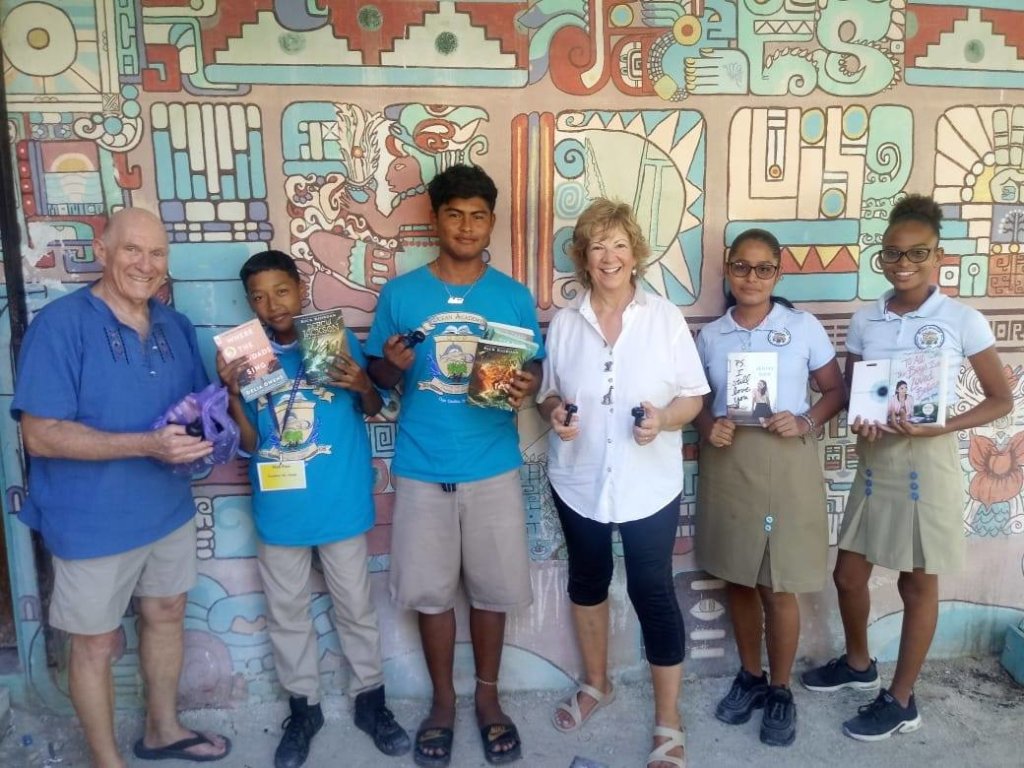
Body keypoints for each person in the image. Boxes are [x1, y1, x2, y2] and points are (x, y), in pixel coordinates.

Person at [10, 208, 231, 766]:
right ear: (103, 249)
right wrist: (147, 445)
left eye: (157, 254)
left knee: (166, 613)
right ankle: (107, 761)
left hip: (166, 509)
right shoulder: (61, 326)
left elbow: (192, 413)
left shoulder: (174, 327)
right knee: (95, 644)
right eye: (132, 249)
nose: (145, 264)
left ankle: (161, 729)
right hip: (91, 521)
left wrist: (226, 396)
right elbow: (41, 436)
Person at [801, 195, 1013, 740]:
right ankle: (857, 664)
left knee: (918, 586)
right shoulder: (865, 318)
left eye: (917, 252)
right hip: (875, 465)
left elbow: (1000, 400)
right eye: (892, 253)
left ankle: (901, 699)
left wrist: (942, 425)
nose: (903, 263)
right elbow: (853, 394)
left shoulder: (961, 319)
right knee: (848, 575)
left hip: (927, 469)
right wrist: (861, 419)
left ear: (938, 256)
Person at [365, 164, 544, 767]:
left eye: (477, 215)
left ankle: (488, 701)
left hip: (491, 463)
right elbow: (378, 381)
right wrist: (389, 363)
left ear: (491, 221)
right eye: (454, 214)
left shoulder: (512, 296)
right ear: (435, 220)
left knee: (491, 594)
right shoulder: (402, 294)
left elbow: (534, 367)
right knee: (432, 596)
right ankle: (443, 703)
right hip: (421, 467)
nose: (466, 226)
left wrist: (525, 382)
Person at [217, 250, 410, 768]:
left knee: (356, 609)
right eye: (258, 296)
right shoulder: (248, 357)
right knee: (287, 616)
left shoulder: (334, 341)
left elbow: (372, 409)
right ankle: (304, 710)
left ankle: (372, 703)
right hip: (280, 511)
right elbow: (254, 443)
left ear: (300, 290)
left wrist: (364, 384)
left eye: (280, 291)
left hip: (340, 505)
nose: (271, 304)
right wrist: (233, 394)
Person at [539, 199, 709, 768]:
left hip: (648, 485)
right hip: (579, 479)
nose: (608, 256)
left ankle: (668, 720)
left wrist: (664, 419)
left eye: (618, 245)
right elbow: (548, 393)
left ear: (635, 253)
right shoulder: (566, 323)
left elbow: (692, 395)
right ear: (582, 258)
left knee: (652, 592)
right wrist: (555, 413)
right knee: (587, 582)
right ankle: (596, 684)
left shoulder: (663, 318)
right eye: (596, 246)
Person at [693, 228, 845, 747]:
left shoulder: (802, 327)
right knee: (738, 577)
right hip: (731, 463)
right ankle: (750, 678)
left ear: (778, 273)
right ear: (728, 272)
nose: (751, 278)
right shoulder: (712, 335)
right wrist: (706, 425)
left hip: (786, 463)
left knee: (777, 583)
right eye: (741, 267)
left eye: (763, 268)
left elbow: (834, 390)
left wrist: (805, 420)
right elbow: (698, 401)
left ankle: (780, 689)